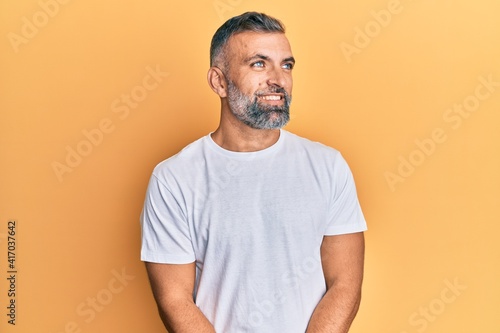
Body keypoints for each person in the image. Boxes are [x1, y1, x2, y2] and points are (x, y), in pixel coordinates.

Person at [140, 11, 367, 333]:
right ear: (219, 81)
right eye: (259, 64)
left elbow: (344, 284)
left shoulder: (328, 166)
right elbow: (174, 300)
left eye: (286, 65)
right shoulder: (175, 179)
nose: (278, 78)